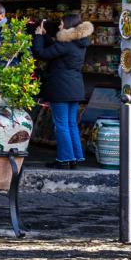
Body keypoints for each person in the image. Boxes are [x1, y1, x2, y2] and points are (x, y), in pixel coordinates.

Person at [33, 12, 93, 169]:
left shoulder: (66, 44)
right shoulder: (79, 42)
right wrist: (46, 37)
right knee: (71, 124)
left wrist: (38, 36)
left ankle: (64, 159)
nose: (59, 26)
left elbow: (42, 53)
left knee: (61, 125)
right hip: (74, 88)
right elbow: (55, 50)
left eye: (61, 23)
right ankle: (75, 157)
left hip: (60, 88)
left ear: (67, 25)